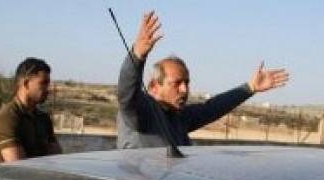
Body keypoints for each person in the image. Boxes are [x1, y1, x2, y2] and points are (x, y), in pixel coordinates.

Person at [117, 11, 290, 149]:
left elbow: (212, 107)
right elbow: (126, 93)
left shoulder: (179, 116)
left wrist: (250, 87)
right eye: (177, 83)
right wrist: (137, 56)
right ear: (154, 86)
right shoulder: (140, 111)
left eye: (187, 83)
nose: (185, 90)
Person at [0, 58, 62, 162]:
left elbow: (57, 159)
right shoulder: (7, 118)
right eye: (43, 83)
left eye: (48, 84)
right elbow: (19, 166)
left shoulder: (43, 118)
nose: (47, 89)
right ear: (26, 83)